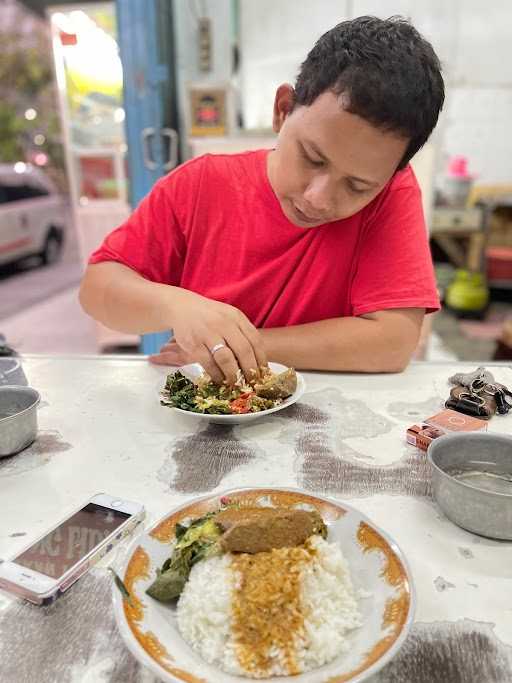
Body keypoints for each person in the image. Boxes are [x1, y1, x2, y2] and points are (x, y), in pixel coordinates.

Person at [79, 15, 444, 385]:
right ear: (282, 109)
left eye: (357, 186)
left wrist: (241, 347)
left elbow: (392, 342)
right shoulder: (201, 184)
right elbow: (98, 289)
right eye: (312, 158)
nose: (318, 199)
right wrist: (177, 305)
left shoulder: (391, 192)